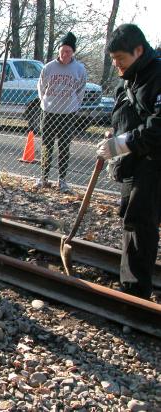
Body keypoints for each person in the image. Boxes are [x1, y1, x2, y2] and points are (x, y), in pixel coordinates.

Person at [96, 24, 161, 300]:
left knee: (140, 221)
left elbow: (158, 126)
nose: (117, 65)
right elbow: (127, 115)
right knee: (129, 217)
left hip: (154, 162)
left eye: (120, 59)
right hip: (133, 162)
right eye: (113, 60)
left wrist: (122, 143)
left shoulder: (157, 76)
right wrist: (114, 135)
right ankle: (132, 283)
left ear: (138, 50)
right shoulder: (129, 78)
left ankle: (136, 292)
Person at [35, 32, 87, 193]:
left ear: (73, 53)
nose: (65, 54)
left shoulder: (79, 69)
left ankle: (62, 180)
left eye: (69, 51)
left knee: (64, 146)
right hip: (49, 112)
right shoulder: (48, 68)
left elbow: (81, 90)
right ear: (59, 51)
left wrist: (74, 104)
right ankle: (43, 177)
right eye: (63, 51)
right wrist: (45, 102)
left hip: (68, 114)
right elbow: (41, 87)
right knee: (46, 145)